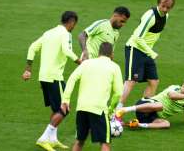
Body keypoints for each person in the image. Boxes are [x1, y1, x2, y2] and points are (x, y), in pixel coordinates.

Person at [22, 11, 81, 151]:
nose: (74, 27)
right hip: (55, 77)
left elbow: (32, 47)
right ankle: (43, 138)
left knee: (56, 109)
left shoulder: (48, 33)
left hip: (44, 77)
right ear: (71, 22)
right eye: (74, 24)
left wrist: (28, 68)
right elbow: (66, 50)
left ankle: (52, 139)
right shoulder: (66, 34)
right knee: (64, 109)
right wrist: (80, 61)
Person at [61, 42, 123, 151]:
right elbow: (118, 93)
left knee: (80, 140)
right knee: (105, 142)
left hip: (82, 107)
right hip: (99, 109)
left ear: (99, 53)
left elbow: (72, 79)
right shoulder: (115, 67)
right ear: (112, 54)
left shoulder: (86, 63)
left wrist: (65, 99)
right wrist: (111, 109)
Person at [118, 0, 175, 108]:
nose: (165, 9)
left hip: (146, 51)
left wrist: (149, 51)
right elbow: (137, 37)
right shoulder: (150, 16)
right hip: (135, 48)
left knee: (153, 81)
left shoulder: (166, 16)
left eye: (168, 8)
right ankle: (116, 112)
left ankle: (143, 110)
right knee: (131, 81)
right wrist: (151, 52)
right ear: (158, 3)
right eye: (163, 6)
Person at [116, 77, 184, 129]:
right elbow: (172, 96)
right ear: (182, 84)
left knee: (166, 124)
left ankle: (138, 124)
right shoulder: (175, 87)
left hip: (151, 116)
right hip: (145, 105)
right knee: (160, 106)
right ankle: (124, 109)